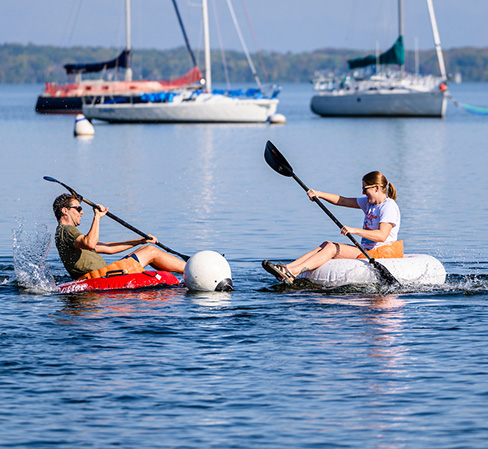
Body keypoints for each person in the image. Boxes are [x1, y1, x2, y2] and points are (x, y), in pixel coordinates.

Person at [262, 171, 401, 284]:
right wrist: (319, 194)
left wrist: (354, 230)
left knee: (332, 248)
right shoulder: (369, 203)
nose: (363, 193)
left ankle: (292, 272)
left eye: (365, 189)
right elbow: (342, 200)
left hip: (381, 252)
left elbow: (382, 236)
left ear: (376, 188)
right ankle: (288, 268)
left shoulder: (388, 207)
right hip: (368, 249)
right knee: (326, 244)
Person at [53, 193, 185, 280]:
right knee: (151, 252)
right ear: (65, 211)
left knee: (146, 248)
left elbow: (108, 248)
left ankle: (187, 271)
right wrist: (97, 217)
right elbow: (91, 243)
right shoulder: (66, 230)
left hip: (103, 274)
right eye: (78, 208)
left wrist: (140, 241)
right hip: (100, 276)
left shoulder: (71, 237)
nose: (81, 212)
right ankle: (192, 270)